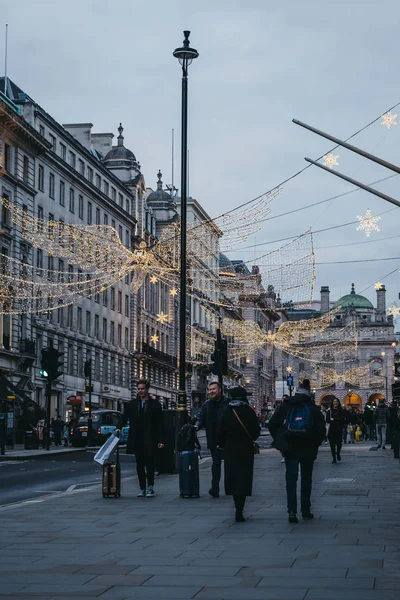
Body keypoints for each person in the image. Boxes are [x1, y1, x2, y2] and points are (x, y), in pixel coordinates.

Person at [268, 379, 326, 523]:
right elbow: (321, 431)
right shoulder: (312, 407)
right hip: (307, 447)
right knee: (307, 480)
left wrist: (281, 442)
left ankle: (291, 511)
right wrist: (315, 443)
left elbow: (272, 424)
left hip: (290, 447)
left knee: (291, 480)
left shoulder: (286, 405)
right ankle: (306, 510)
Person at [216, 387, 260, 522]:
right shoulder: (249, 411)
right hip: (246, 449)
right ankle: (241, 508)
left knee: (233, 478)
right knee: (244, 478)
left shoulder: (227, 412)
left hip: (231, 449)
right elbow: (256, 431)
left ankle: (237, 507)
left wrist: (222, 444)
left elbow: (220, 432)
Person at [116, 379, 164, 497]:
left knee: (150, 463)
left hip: (150, 437)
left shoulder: (155, 405)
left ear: (147, 389)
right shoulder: (132, 404)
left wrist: (160, 440)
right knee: (139, 464)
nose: (140, 391)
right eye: (139, 389)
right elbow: (124, 416)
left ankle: (150, 487)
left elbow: (160, 423)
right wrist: (119, 427)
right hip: (137, 437)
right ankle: (142, 488)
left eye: (142, 389)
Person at [195, 381, 229, 498]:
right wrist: (197, 425)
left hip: (227, 438)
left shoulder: (227, 402)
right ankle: (215, 488)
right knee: (216, 465)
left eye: (213, 389)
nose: (211, 392)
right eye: (209, 390)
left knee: (229, 465)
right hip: (214, 439)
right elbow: (201, 417)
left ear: (220, 390)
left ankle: (229, 487)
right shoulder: (206, 404)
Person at [326, 398, 345, 463]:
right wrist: (335, 420)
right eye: (334, 402)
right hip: (331, 430)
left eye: (336, 401)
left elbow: (342, 419)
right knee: (332, 445)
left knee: (339, 443)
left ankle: (338, 453)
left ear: (338, 403)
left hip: (339, 429)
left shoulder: (341, 411)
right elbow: (327, 420)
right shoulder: (329, 411)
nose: (335, 403)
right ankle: (334, 458)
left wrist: (333, 419)